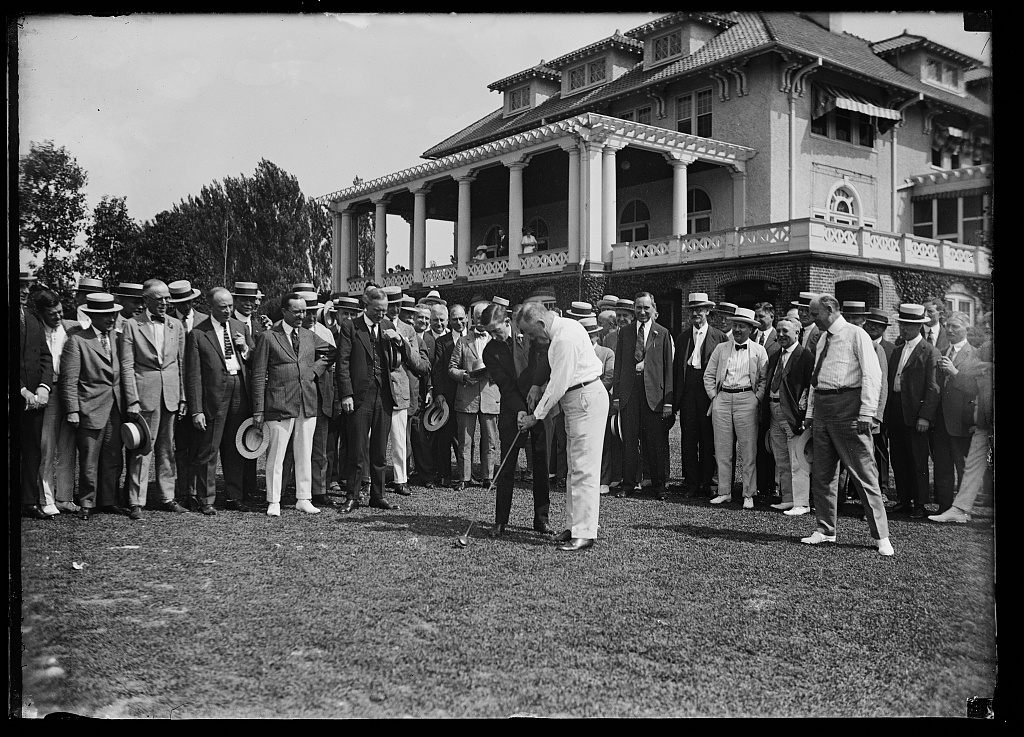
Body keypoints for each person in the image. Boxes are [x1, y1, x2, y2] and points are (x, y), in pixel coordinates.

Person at [801, 294, 893, 557]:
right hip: (822, 409)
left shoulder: (856, 335)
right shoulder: (821, 339)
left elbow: (872, 375)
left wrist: (867, 413)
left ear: (830, 310)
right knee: (823, 474)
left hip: (849, 409)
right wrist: (810, 411)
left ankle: (881, 536)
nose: (812, 318)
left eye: (815, 313)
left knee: (863, 473)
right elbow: (816, 378)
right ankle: (826, 530)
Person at [517, 301, 608, 551]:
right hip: (578, 399)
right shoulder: (565, 328)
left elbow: (558, 383)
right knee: (574, 467)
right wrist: (537, 387)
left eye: (530, 332)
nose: (530, 338)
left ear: (540, 323)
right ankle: (573, 527)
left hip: (585, 398)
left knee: (584, 469)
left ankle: (585, 533)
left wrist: (535, 416)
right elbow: (554, 376)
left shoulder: (564, 339)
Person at [252, 292, 337, 517]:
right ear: (284, 312)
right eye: (297, 311)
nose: (302, 315)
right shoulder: (269, 337)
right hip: (279, 403)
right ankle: (273, 500)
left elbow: (332, 352)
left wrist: (314, 371)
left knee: (304, 452)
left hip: (307, 402)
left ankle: (303, 498)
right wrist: (258, 409)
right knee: (276, 455)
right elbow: (259, 375)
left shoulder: (309, 336)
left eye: (305, 311)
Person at [480, 302, 552, 536]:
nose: (493, 335)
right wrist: (521, 410)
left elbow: (544, 366)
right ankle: (501, 521)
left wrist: (534, 407)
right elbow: (505, 385)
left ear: (507, 321)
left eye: (496, 329)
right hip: (513, 411)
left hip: (539, 406)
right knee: (507, 466)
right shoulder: (490, 350)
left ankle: (541, 519)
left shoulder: (531, 335)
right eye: (489, 332)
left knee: (541, 464)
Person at [120, 279, 190, 518]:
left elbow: (182, 363)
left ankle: (167, 497)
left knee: (167, 448)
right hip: (145, 395)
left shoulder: (176, 325)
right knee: (142, 449)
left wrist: (182, 397)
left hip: (170, 395)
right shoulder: (131, 325)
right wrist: (132, 399)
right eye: (159, 298)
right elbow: (127, 366)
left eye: (167, 298)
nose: (164, 302)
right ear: (146, 300)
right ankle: (136, 502)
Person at [185, 287, 255, 514]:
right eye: (223, 307)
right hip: (214, 396)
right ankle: (207, 500)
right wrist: (196, 410)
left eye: (230, 306)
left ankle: (235, 497)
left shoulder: (240, 327)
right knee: (209, 448)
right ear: (211, 308)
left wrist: (245, 348)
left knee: (236, 447)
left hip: (239, 392)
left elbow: (255, 358)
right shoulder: (197, 334)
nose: (228, 311)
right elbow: (193, 376)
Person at [336, 286, 404, 512]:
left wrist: (398, 342)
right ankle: (353, 495)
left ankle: (378, 495)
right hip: (359, 396)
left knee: (378, 450)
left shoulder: (388, 326)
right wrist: (346, 394)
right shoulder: (350, 327)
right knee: (356, 448)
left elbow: (397, 360)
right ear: (366, 306)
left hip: (383, 395)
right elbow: (343, 362)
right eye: (377, 310)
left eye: (384, 310)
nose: (382, 314)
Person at [59, 293, 126, 520]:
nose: (111, 319)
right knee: (89, 458)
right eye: (105, 315)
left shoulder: (118, 339)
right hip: (89, 408)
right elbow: (69, 380)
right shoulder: (77, 341)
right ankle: (87, 502)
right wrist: (72, 410)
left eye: (113, 314)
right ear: (92, 316)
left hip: (115, 409)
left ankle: (108, 501)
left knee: (112, 456)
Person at [703, 307, 769, 509]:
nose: (738, 329)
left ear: (750, 328)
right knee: (722, 449)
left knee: (748, 450)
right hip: (723, 399)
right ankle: (724, 492)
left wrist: (756, 399)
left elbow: (764, 379)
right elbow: (708, 376)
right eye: (735, 325)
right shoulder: (721, 348)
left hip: (746, 399)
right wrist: (715, 397)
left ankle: (748, 493)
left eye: (742, 326)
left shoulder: (759, 351)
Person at [612, 291, 673, 500]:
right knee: (629, 441)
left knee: (654, 443)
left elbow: (668, 369)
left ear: (653, 309)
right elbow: (619, 365)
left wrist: (668, 402)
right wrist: (618, 396)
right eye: (639, 307)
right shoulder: (625, 332)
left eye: (646, 308)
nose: (642, 311)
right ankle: (628, 484)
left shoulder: (662, 333)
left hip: (653, 396)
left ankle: (659, 486)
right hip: (630, 394)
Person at [929, 336, 992, 524]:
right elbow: (969, 384)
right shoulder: (985, 352)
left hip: (987, 423)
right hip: (984, 424)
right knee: (972, 466)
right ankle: (960, 509)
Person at [886, 304, 940, 519]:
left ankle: (920, 503)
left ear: (919, 326)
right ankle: (904, 500)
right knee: (898, 457)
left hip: (916, 413)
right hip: (896, 410)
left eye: (909, 325)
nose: (904, 328)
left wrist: (925, 416)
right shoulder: (898, 350)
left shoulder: (930, 351)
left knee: (918, 459)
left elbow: (933, 387)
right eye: (902, 324)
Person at [672, 292, 727, 499]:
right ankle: (691, 482)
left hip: (708, 393)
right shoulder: (683, 337)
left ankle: (709, 481)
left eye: (700, 309)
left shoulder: (719, 337)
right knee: (689, 439)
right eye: (693, 310)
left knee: (709, 439)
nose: (696, 313)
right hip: (687, 393)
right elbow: (677, 370)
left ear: (707, 311)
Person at [34, 289, 82, 516]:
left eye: (61, 311)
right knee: (47, 446)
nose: (58, 316)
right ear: (42, 312)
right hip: (48, 392)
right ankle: (47, 498)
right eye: (53, 313)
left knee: (67, 447)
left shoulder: (73, 327)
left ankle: (65, 497)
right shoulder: (34, 330)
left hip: (69, 391)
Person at [761, 317, 814, 516]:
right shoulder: (775, 356)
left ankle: (802, 502)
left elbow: (810, 389)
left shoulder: (805, 356)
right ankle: (788, 498)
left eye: (785, 331)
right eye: (779, 331)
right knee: (781, 458)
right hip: (774, 412)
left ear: (797, 333)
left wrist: (804, 416)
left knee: (797, 459)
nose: (781, 335)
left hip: (793, 415)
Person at [928, 311, 978, 514]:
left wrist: (954, 372)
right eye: (947, 326)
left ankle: (963, 508)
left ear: (967, 329)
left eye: (955, 327)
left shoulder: (974, 354)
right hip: (940, 420)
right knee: (942, 464)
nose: (949, 330)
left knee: (963, 466)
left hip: (962, 420)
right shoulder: (941, 351)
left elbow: (976, 387)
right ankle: (944, 506)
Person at [449, 302, 500, 490]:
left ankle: (488, 477)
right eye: (477, 317)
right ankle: (464, 477)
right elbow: (451, 368)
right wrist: (463, 375)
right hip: (467, 396)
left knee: (490, 439)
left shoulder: (496, 340)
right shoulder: (463, 342)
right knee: (465, 440)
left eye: (483, 317)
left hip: (490, 395)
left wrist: (495, 372)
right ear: (472, 318)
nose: (480, 320)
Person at [168, 279, 207, 508]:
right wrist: (182, 395)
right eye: (180, 302)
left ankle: (198, 491)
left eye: (188, 301)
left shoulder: (204, 322)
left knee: (199, 445)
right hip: (177, 392)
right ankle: (184, 490)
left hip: (201, 390)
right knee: (181, 445)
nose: (185, 306)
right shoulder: (169, 323)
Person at [20, 290, 56, 519]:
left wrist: (44, 387)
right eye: (20, 284)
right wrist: (21, 390)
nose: (24, 291)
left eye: (26, 286)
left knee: (32, 449)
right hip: (19, 395)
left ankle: (29, 502)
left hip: (34, 401)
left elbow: (45, 356)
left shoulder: (32, 319)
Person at [431, 303, 466, 487]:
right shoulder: (442, 342)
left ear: (466, 318)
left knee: (465, 438)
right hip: (449, 397)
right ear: (449, 321)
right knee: (445, 436)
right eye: (454, 319)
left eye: (461, 318)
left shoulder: (472, 338)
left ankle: (465, 475)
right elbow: (437, 371)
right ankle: (445, 474)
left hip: (468, 396)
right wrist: (439, 394)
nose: (458, 322)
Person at [862, 307, 896, 498]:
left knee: (880, 448)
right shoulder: (860, 342)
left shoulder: (891, 349)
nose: (873, 328)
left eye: (878, 325)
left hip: (882, 408)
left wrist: (880, 412)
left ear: (884, 328)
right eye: (871, 324)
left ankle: (882, 487)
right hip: (862, 407)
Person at [581, 316, 616, 495]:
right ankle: (586, 478)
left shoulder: (606, 353)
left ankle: (604, 479)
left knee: (603, 442)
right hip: (578, 403)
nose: (588, 338)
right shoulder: (576, 352)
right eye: (584, 335)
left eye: (591, 335)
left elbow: (609, 377)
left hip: (600, 401)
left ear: (596, 335)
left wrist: (591, 393)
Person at [752, 301, 780, 499]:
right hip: (751, 397)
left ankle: (771, 485)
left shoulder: (779, 339)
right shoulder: (751, 337)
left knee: (769, 442)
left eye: (761, 316)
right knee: (754, 442)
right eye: (756, 316)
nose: (758, 320)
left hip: (769, 397)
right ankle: (758, 483)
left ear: (771, 317)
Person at [408, 305, 435, 487]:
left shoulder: (430, 340)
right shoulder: (407, 335)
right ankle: (404, 474)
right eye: (420, 318)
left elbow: (433, 368)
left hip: (424, 392)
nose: (424, 322)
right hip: (408, 390)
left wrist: (431, 389)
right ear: (413, 318)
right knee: (407, 435)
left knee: (419, 434)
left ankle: (425, 474)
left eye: (427, 318)